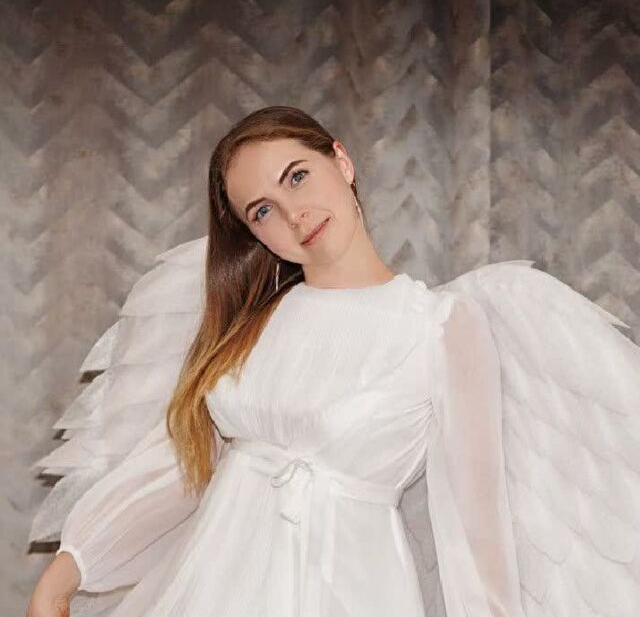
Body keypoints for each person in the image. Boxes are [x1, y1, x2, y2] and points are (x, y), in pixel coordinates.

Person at [27, 106, 640, 617]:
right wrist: (67, 569)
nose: (292, 214)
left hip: (353, 591)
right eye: (261, 210)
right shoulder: (250, 322)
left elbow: (476, 527)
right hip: (215, 586)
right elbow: (183, 466)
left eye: (297, 177)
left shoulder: (440, 326)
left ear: (341, 162)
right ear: (253, 234)